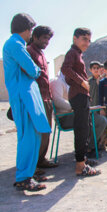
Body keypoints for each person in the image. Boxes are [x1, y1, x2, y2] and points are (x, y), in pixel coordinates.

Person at [3, 13, 51, 191]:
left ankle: (28, 174)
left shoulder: (16, 44)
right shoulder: (15, 44)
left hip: (25, 96)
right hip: (24, 97)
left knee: (32, 135)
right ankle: (24, 177)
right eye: (30, 29)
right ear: (24, 29)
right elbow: (33, 70)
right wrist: (36, 70)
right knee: (28, 137)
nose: (31, 33)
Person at [61, 27, 101, 176]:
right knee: (82, 129)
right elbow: (65, 69)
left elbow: (67, 76)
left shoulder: (78, 54)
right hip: (78, 95)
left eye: (89, 40)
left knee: (86, 127)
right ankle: (80, 166)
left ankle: (82, 160)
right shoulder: (72, 53)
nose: (87, 43)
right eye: (84, 39)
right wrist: (82, 82)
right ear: (75, 38)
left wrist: (78, 81)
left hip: (81, 95)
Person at [50, 72, 107, 159]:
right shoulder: (56, 81)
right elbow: (57, 100)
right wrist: (77, 107)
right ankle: (87, 149)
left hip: (72, 114)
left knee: (97, 118)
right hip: (64, 117)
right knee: (100, 120)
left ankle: (88, 147)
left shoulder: (69, 81)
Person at [27, 25, 58, 169]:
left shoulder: (41, 53)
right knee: (36, 134)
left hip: (46, 98)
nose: (47, 41)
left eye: (49, 39)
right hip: (36, 99)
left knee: (46, 131)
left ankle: (41, 160)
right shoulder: (29, 52)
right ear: (35, 37)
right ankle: (33, 165)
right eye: (44, 38)